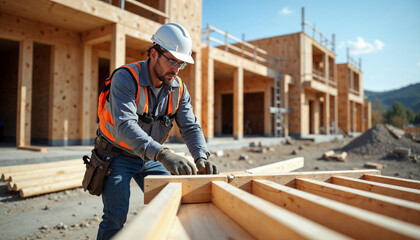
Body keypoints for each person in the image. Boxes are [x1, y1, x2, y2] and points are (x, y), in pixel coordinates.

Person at [95, 23, 219, 240]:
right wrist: (163, 154)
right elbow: (124, 126)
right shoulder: (125, 78)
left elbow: (190, 126)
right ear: (154, 53)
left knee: (173, 204)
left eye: (181, 63)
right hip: (116, 155)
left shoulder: (178, 88)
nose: (176, 69)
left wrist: (200, 156)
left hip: (150, 157)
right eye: (172, 60)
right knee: (115, 218)